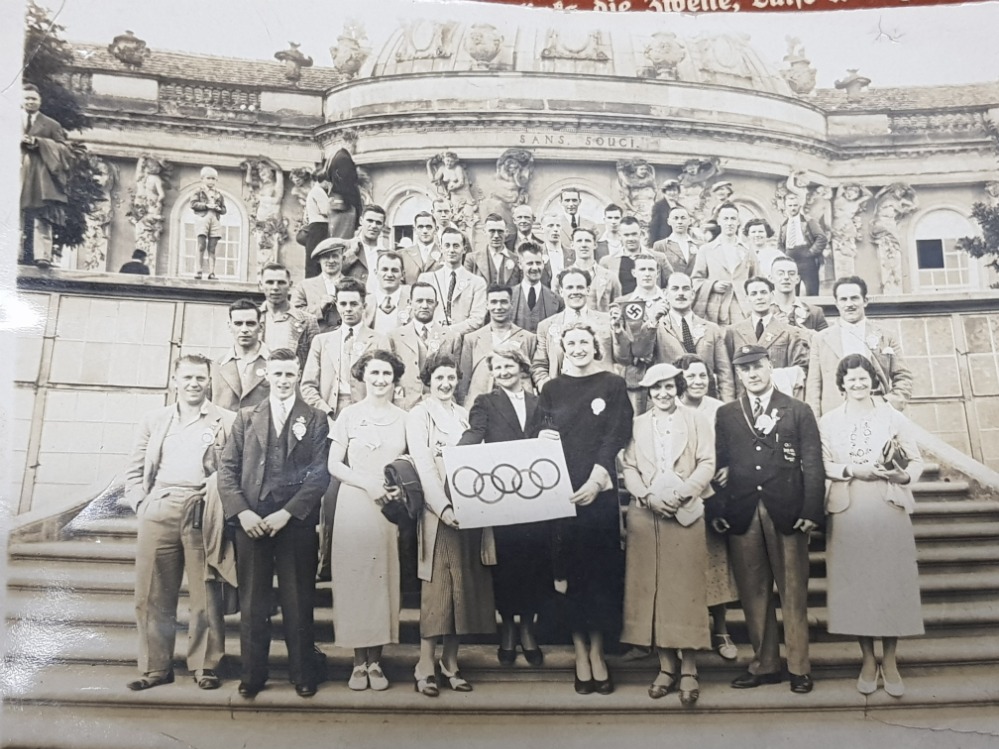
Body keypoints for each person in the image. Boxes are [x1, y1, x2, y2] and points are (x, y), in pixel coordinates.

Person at [216, 348, 331, 699]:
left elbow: (318, 475)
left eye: (289, 375)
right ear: (267, 376)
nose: (283, 381)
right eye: (277, 374)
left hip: (293, 524)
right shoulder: (247, 416)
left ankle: (302, 673)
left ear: (298, 376)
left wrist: (288, 513)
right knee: (253, 602)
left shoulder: (314, 418)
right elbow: (227, 470)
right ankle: (253, 674)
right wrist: (243, 513)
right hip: (252, 522)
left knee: (299, 600)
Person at [712, 344, 824, 695]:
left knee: (793, 593)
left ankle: (799, 667)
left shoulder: (797, 410)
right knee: (753, 593)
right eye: (745, 369)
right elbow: (719, 467)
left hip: (787, 510)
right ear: (738, 375)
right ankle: (765, 664)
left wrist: (811, 511)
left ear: (769, 367)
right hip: (744, 512)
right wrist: (719, 510)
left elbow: (813, 464)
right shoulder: (728, 414)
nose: (752, 374)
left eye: (758, 366)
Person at [533, 323, 633, 695]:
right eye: (570, 343)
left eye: (584, 342)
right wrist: (542, 436)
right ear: (562, 348)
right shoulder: (552, 388)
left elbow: (617, 432)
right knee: (568, 574)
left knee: (599, 572)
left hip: (598, 488)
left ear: (596, 347)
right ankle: (579, 652)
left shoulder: (612, 383)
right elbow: (538, 432)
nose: (577, 348)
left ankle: (598, 652)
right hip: (560, 493)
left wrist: (597, 479)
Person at [123, 355, 233, 692]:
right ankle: (156, 667)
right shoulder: (155, 420)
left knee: (205, 593)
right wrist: (142, 503)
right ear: (174, 380)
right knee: (153, 592)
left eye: (200, 378)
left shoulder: (225, 420)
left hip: (202, 510)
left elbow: (232, 470)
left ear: (209, 381)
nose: (194, 384)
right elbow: (134, 469)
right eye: (187, 377)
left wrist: (214, 490)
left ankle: (205, 665)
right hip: (159, 507)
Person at [820, 354, 924, 697]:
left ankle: (890, 660)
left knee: (890, 582)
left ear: (874, 381)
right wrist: (851, 470)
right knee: (857, 585)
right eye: (851, 379)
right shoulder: (829, 421)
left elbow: (915, 458)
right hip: (848, 507)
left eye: (863, 378)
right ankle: (867, 658)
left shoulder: (892, 417)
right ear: (841, 384)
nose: (858, 384)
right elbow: (823, 463)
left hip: (887, 504)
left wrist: (902, 474)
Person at [620, 362, 714, 705]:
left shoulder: (696, 419)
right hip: (647, 515)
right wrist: (646, 496)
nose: (663, 394)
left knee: (683, 591)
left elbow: (707, 462)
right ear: (648, 392)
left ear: (679, 388)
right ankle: (665, 667)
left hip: (685, 512)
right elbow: (628, 466)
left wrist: (683, 492)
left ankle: (689, 668)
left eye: (669, 387)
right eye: (656, 388)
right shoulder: (637, 424)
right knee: (653, 593)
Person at [406, 352, 497, 697]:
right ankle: (424, 664)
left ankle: (451, 661)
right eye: (438, 378)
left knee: (462, 589)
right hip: (439, 514)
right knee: (438, 589)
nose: (445, 384)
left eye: (450, 378)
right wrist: (442, 508)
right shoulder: (419, 416)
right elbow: (424, 466)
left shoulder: (465, 415)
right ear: (428, 381)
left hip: (471, 512)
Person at [458, 349, 550, 667]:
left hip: (536, 495)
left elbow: (551, 437)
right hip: (503, 494)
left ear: (521, 368)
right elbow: (475, 434)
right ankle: (508, 630)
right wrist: (456, 458)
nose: (504, 371)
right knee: (508, 566)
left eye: (509, 365)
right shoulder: (485, 402)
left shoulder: (540, 402)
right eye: (497, 367)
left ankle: (528, 630)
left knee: (534, 565)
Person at [326, 350, 409, 692]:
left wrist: (395, 489)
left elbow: (409, 463)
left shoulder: (405, 418)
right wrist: (368, 483)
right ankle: (357, 662)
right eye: (373, 373)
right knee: (354, 581)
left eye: (386, 374)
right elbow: (334, 465)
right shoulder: (349, 415)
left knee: (382, 582)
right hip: (354, 502)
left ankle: (376, 660)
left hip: (387, 508)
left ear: (395, 379)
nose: (379, 380)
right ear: (363, 376)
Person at [675, 354, 740, 662]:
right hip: (679, 496)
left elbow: (733, 446)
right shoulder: (669, 407)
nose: (698, 381)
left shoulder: (720, 409)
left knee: (715, 564)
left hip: (713, 496)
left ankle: (721, 629)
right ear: (681, 380)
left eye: (703, 376)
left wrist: (729, 466)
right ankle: (689, 630)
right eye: (691, 376)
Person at [806, 275, 913, 417]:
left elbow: (903, 376)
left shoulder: (886, 336)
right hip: (836, 415)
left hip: (877, 412)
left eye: (854, 298)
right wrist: (815, 423)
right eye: (843, 299)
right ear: (837, 303)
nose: (849, 304)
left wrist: (889, 405)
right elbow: (814, 386)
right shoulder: (821, 339)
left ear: (865, 301)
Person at [725, 276, 810, 399]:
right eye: (753, 294)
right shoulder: (733, 332)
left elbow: (800, 371)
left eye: (763, 292)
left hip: (777, 399)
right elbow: (727, 372)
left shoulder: (789, 332)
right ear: (747, 298)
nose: (759, 297)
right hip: (743, 401)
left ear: (772, 296)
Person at [532, 269, 614, 390]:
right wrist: (547, 386)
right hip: (563, 392)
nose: (575, 292)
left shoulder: (607, 321)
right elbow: (539, 365)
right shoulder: (546, 326)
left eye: (580, 287)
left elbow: (621, 357)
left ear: (588, 290)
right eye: (570, 287)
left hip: (601, 390)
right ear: (561, 291)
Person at [457, 284, 537, 406]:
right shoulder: (472, 339)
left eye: (503, 302)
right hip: (481, 406)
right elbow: (463, 381)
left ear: (511, 304)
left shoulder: (528, 338)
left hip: (518, 405)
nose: (498, 307)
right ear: (487, 305)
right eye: (493, 302)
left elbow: (532, 375)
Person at [20, 84, 72, 268]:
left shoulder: (51, 124)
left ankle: (43, 256)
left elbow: (65, 150)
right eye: (26, 98)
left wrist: (38, 142)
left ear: (40, 101)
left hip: (40, 175)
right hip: (14, 170)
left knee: (43, 215)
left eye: (33, 98)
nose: (30, 102)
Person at [388, 283, 460, 411]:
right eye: (419, 301)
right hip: (404, 407)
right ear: (410, 303)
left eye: (429, 301)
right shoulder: (394, 337)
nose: (425, 306)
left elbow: (458, 380)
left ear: (436, 304)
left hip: (440, 407)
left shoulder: (451, 337)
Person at [691, 203, 757, 326]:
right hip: (715, 308)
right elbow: (695, 280)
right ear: (719, 221)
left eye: (733, 219)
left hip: (743, 308)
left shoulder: (748, 250)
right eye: (725, 219)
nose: (729, 223)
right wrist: (713, 285)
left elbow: (757, 279)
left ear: (738, 222)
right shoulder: (706, 250)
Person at [418, 227, 488, 337]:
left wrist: (447, 331)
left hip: (464, 343)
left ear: (464, 249)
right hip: (432, 341)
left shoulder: (477, 283)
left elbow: (477, 320)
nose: (451, 250)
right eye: (447, 245)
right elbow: (419, 313)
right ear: (441, 248)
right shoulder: (426, 279)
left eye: (456, 246)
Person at [213, 299, 270, 412]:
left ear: (261, 327)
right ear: (229, 326)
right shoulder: (218, 365)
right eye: (238, 324)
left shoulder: (276, 362)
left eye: (250, 324)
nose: (244, 330)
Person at [258, 262, 319, 367]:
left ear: (290, 285)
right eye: (270, 282)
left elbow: (316, 361)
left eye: (281, 282)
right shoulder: (252, 319)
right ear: (261, 285)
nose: (275, 287)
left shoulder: (308, 321)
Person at [556, 227, 621, 313]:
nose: (584, 245)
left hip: (601, 324)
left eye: (587, 241)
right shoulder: (562, 276)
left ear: (595, 245)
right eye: (579, 241)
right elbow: (557, 309)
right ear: (572, 245)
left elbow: (617, 307)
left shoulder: (610, 277)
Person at [778, 193, 828, 296]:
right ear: (785, 207)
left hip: (806, 259)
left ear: (799, 206)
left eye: (795, 205)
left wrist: (810, 252)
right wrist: (785, 256)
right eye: (790, 206)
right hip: (790, 260)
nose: (793, 208)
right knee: (791, 292)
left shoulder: (808, 221)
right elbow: (780, 244)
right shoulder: (784, 225)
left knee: (811, 290)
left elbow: (821, 238)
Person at [292, 238, 346, 333]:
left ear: (343, 258)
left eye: (335, 256)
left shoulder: (353, 285)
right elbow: (294, 315)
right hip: (315, 341)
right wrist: (319, 308)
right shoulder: (304, 286)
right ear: (319, 260)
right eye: (326, 257)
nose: (331, 260)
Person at [509, 242, 563, 333]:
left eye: (538, 263)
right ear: (520, 264)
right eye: (530, 263)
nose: (535, 268)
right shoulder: (508, 297)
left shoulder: (557, 300)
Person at [769, 256, 828, 333]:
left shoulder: (815, 313)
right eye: (780, 273)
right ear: (771, 278)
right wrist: (770, 328)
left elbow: (826, 341)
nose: (786, 277)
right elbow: (751, 343)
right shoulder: (759, 311)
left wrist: (806, 333)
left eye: (791, 273)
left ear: (797, 279)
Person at [190, 166, 227, 280]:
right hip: (203, 218)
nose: (211, 181)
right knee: (201, 245)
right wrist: (206, 205)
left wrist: (219, 209)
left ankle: (211, 272)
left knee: (212, 247)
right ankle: (199, 270)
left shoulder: (219, 194)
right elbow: (193, 204)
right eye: (208, 178)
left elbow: (224, 209)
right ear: (203, 179)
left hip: (214, 218)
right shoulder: (198, 191)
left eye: (213, 179)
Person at [464, 213, 519, 286]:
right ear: (484, 232)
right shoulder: (472, 259)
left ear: (506, 232)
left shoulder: (516, 259)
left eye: (500, 231)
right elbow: (467, 289)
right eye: (492, 231)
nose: (496, 236)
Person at [342, 204, 387, 292]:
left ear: (383, 226)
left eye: (378, 223)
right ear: (361, 221)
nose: (374, 226)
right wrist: (352, 253)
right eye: (370, 221)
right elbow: (334, 273)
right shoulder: (346, 247)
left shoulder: (386, 253)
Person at [365, 251, 411, 335]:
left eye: (395, 270)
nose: (389, 274)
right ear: (376, 272)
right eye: (384, 269)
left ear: (402, 274)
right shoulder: (366, 302)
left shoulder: (411, 301)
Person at [652, 206, 698, 277]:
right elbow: (658, 273)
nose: (679, 222)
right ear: (668, 222)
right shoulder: (661, 245)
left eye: (683, 218)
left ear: (689, 221)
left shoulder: (699, 245)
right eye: (675, 218)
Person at [401, 211, 444, 284]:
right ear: (415, 230)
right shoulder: (403, 254)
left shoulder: (444, 254)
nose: (425, 231)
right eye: (420, 227)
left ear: (436, 230)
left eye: (429, 227)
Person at [302, 172, 331, 279]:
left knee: (313, 256)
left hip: (314, 225)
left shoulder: (312, 192)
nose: (330, 186)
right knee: (317, 255)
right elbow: (326, 211)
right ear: (323, 181)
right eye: (329, 183)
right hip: (320, 226)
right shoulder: (319, 192)